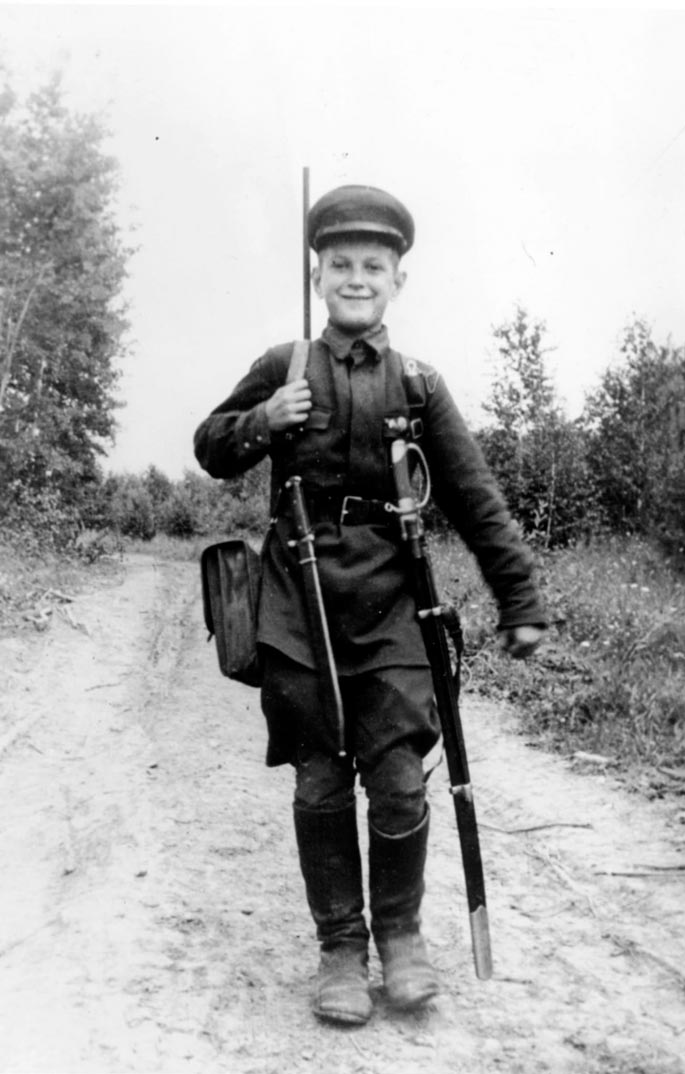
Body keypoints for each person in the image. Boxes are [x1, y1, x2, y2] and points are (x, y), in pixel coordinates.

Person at [194, 184, 546, 1027]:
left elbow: (474, 497)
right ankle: (340, 952)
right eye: (341, 264)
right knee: (320, 782)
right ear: (318, 275)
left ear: (399, 280)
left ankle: (402, 939)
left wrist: (521, 601)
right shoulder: (284, 364)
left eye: (374, 266)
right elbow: (210, 445)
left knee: (397, 782)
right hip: (295, 601)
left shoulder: (418, 383)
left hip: (393, 605)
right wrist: (263, 421)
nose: (358, 278)